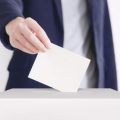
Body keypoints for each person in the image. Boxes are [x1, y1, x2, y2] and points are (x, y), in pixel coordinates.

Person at [0, 0, 118, 90]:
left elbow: (103, 32)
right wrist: (12, 20)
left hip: (89, 87)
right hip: (35, 87)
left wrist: (111, 89)